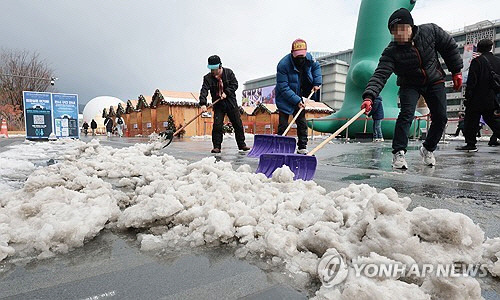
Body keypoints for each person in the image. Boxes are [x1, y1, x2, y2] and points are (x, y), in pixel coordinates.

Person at [361, 8, 463, 169]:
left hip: (434, 80)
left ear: (411, 26)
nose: (399, 34)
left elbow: (449, 47)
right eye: (394, 31)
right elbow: (380, 74)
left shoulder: (430, 31)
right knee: (406, 114)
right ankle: (398, 153)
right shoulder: (391, 52)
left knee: (441, 117)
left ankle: (428, 148)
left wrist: (456, 70)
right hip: (410, 84)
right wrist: (369, 96)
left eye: (402, 29)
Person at [275, 39, 322, 154]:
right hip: (284, 97)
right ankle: (282, 147)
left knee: (301, 122)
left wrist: (317, 82)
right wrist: (296, 100)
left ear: (306, 52)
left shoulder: (310, 59)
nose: (300, 58)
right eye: (297, 56)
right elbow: (283, 87)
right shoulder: (283, 65)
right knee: (283, 124)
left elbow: (316, 68)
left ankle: (302, 146)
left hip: (298, 93)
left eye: (302, 55)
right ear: (292, 53)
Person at [199, 55, 250, 153]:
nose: (213, 71)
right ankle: (217, 146)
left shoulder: (229, 73)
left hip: (231, 103)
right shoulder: (207, 78)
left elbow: (235, 84)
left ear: (220, 66)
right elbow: (204, 90)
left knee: (237, 124)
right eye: (211, 69)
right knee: (217, 126)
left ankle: (242, 144)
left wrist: (226, 92)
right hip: (218, 105)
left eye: (214, 69)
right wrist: (203, 104)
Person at [456, 39, 500, 152]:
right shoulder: (498, 61)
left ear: (479, 48)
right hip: (492, 97)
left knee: (471, 120)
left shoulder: (477, 61)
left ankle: (471, 144)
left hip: (477, 97)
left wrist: (467, 96)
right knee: (492, 120)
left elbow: (472, 81)